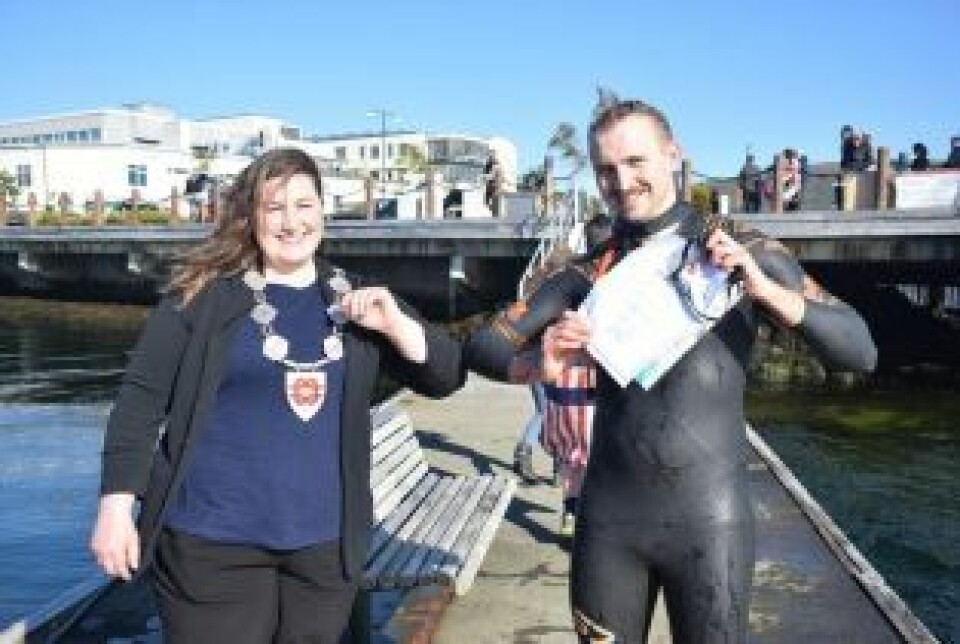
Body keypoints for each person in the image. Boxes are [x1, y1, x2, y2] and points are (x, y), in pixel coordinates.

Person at [464, 98, 877, 643]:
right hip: (609, 525)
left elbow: (860, 351)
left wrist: (765, 292)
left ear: (673, 154)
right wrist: (539, 364)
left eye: (636, 162)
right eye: (607, 169)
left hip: (712, 525)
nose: (622, 181)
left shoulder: (739, 252)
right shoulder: (585, 274)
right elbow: (484, 346)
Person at [89, 148, 463, 644]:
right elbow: (140, 400)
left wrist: (394, 324)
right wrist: (115, 509)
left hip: (323, 552)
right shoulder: (201, 296)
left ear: (322, 212)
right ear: (251, 218)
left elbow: (445, 375)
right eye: (275, 208)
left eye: (304, 206)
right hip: (211, 544)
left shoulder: (355, 299)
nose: (292, 222)